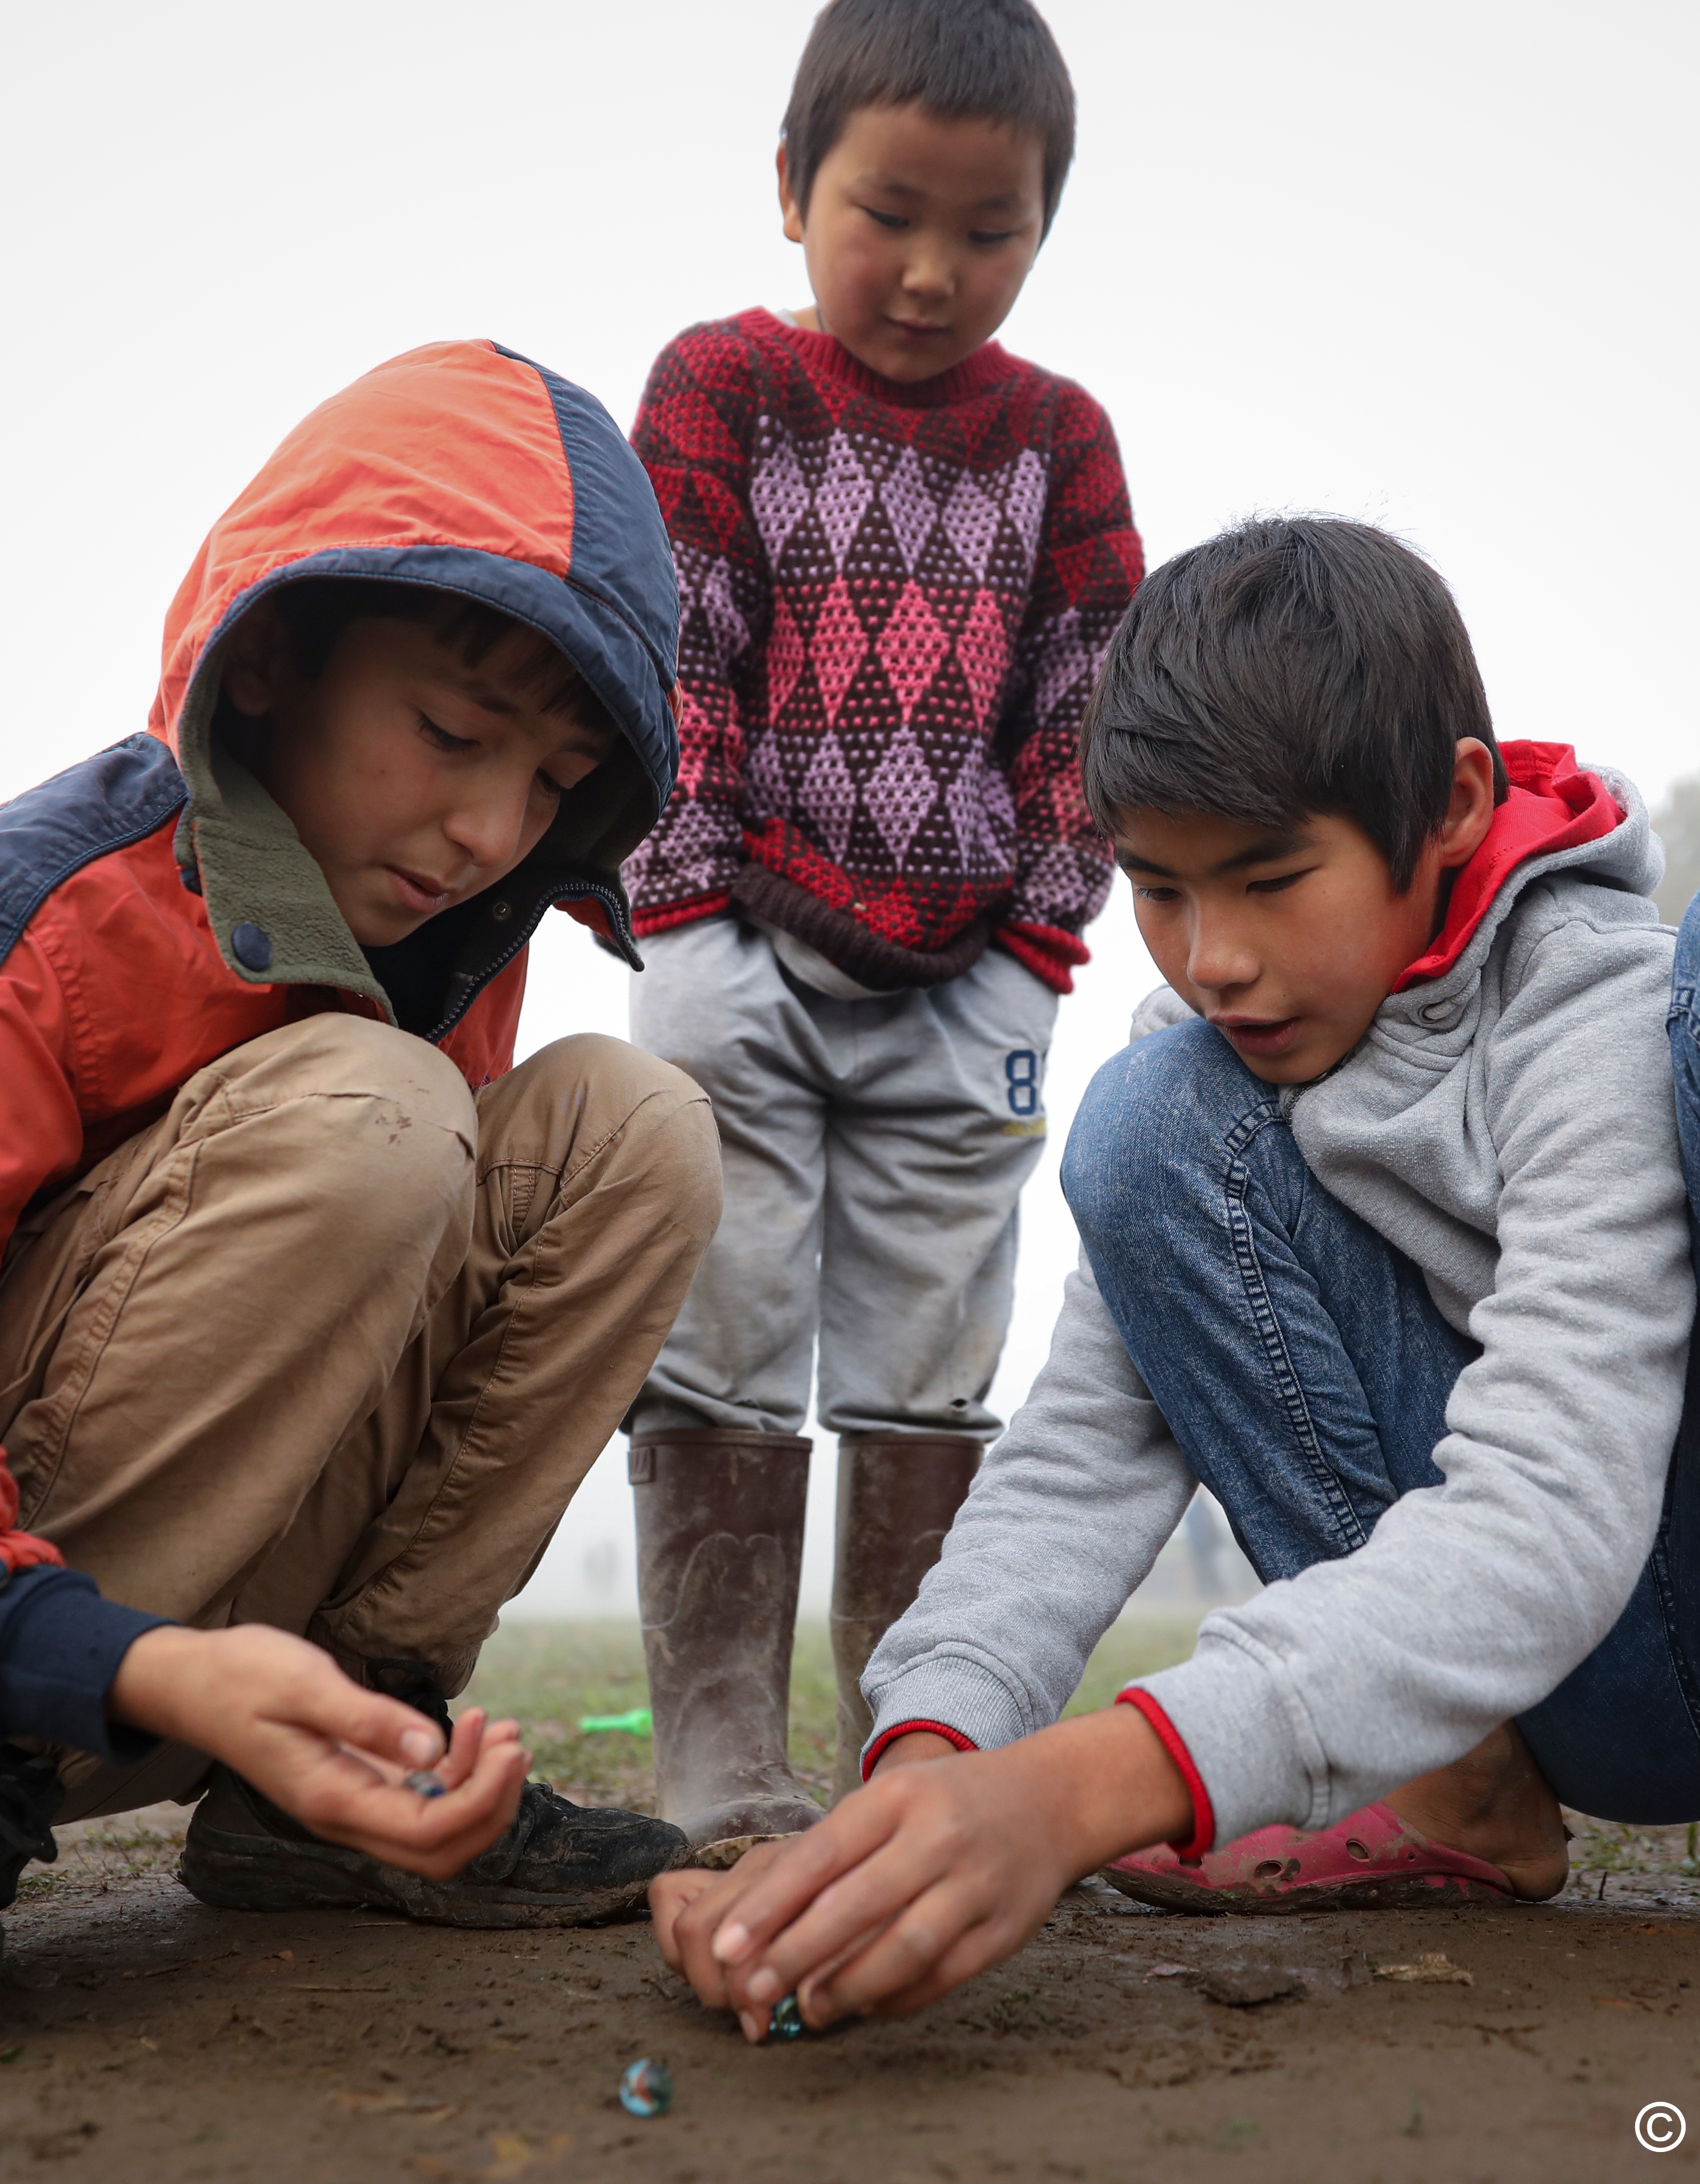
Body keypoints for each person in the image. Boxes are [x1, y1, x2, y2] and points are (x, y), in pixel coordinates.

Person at [652, 516, 1700, 2030]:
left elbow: (1554, 1495)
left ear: (1448, 804)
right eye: (1159, 890)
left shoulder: (1587, 1003)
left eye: (1266, 876)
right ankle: (1459, 1790)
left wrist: (1085, 1786)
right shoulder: (1203, 1062)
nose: (1210, 956)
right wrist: (922, 1775)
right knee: (1141, 1126)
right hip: (1545, 1686)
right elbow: (1079, 1453)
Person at [0, 340, 722, 2051]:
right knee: (376, 1104)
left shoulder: (433, 930)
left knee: (630, 1121)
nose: (499, 828)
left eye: (559, 784)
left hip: (236, 1603)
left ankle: (345, 1763)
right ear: (269, 658)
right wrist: (52, 1656)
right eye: (452, 732)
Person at [615, 0, 1142, 1845]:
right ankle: (718, 1756)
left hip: (963, 974)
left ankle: (908, 1739)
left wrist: (1037, 937)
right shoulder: (720, 393)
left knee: (931, 1352)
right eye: (887, 211)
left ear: (1043, 229)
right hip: (735, 946)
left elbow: (1088, 706)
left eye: (988, 230)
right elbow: (671, 646)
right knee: (723, 1320)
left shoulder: (1058, 446)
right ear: (789, 188)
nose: (931, 271)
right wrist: (681, 916)